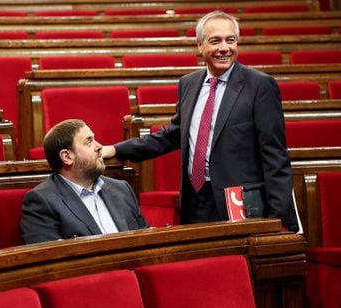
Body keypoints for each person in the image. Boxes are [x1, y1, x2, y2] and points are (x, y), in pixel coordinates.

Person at [102, 10, 299, 232]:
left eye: (230, 40)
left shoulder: (260, 86)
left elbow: (275, 156)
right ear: (200, 45)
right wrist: (116, 149)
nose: (224, 48)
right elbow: (173, 134)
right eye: (215, 41)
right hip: (195, 200)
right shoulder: (189, 84)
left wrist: (279, 219)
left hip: (241, 203)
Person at [21, 119, 148, 244]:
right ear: (67, 157)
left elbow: (147, 241)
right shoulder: (42, 201)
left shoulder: (121, 188)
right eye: (88, 142)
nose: (99, 147)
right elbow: (49, 258)